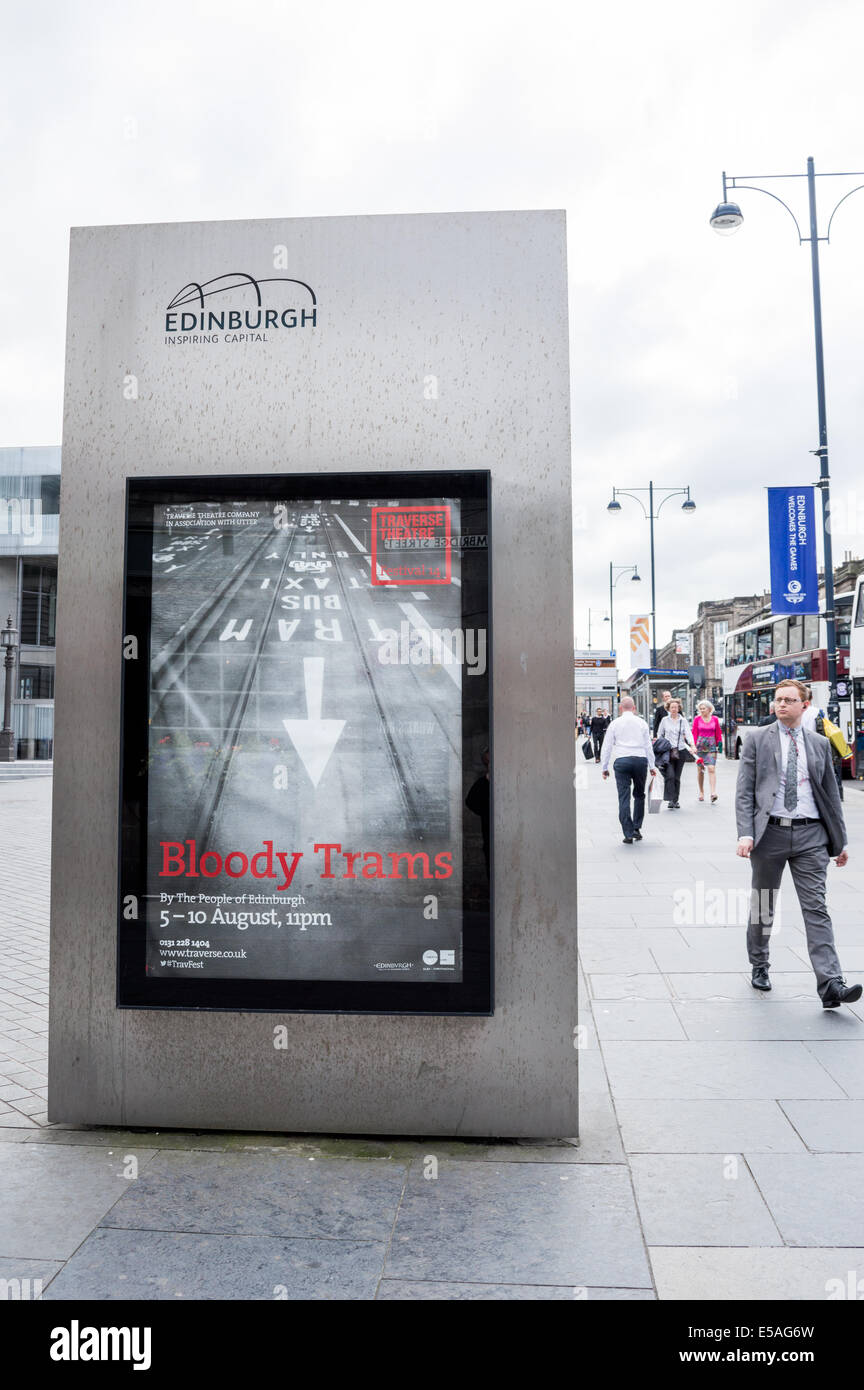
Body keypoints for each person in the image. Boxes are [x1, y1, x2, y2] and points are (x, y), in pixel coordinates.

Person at [736, 678, 861, 1008]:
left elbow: (832, 795)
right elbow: (745, 791)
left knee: (816, 907)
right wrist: (745, 834)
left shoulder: (819, 744)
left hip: (811, 836)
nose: (781, 705)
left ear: (804, 705)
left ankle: (831, 982)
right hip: (769, 834)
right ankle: (759, 964)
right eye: (778, 700)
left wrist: (840, 841)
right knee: (764, 902)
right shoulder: (756, 740)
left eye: (789, 700)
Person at [600, 696, 657, 843]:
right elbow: (648, 746)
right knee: (639, 794)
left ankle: (628, 832)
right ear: (634, 708)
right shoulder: (642, 723)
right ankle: (637, 828)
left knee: (623, 796)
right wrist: (652, 765)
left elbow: (607, 746)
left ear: (620, 708)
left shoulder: (615, 723)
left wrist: (604, 767)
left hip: (622, 760)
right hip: (640, 760)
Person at [656, 698, 697, 808]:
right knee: (670, 775)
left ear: (679, 708)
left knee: (677, 777)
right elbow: (660, 734)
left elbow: (688, 734)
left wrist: (692, 745)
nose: (674, 709)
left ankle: (675, 800)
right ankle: (670, 798)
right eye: (672, 707)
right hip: (668, 752)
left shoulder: (682, 720)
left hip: (680, 751)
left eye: (676, 707)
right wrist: (661, 745)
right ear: (668, 708)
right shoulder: (664, 720)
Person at [692, 698, 723, 803]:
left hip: (711, 747)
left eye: (703, 708)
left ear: (709, 709)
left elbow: (718, 732)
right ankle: (701, 791)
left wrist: (720, 743)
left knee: (711, 768)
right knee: (701, 770)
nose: (701, 710)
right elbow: (694, 733)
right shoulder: (697, 719)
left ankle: (713, 793)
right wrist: (693, 746)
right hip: (700, 747)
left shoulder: (714, 719)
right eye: (700, 709)